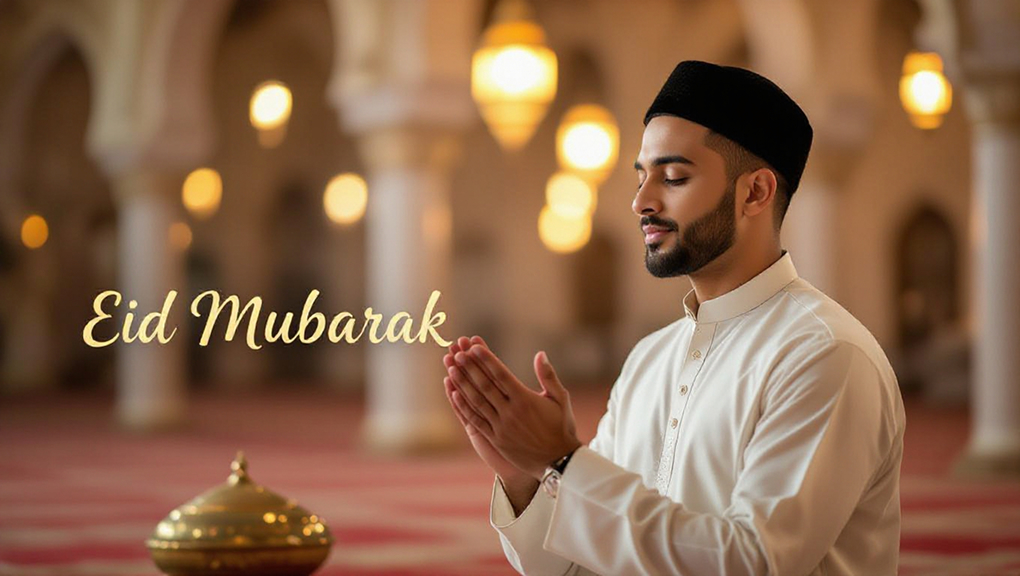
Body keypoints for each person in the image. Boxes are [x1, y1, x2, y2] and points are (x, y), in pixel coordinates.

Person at [442, 60, 905, 576]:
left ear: (755, 192)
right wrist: (526, 475)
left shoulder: (825, 354)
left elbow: (753, 562)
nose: (641, 201)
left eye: (674, 177)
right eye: (641, 177)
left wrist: (565, 462)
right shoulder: (649, 359)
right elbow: (580, 566)